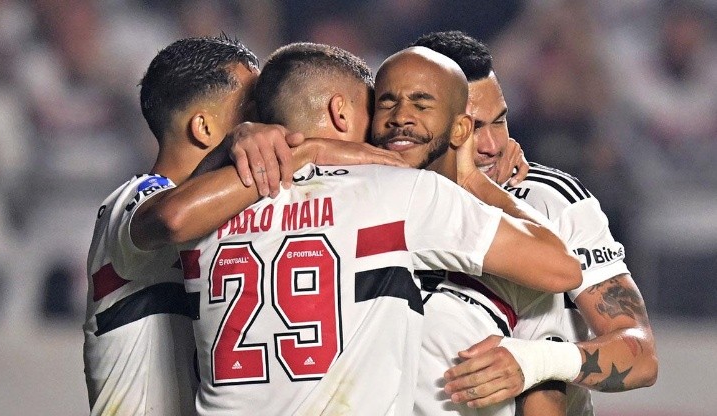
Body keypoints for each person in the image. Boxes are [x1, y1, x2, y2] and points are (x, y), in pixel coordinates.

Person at [177, 41, 582, 415]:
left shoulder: (209, 204)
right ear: (341, 111)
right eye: (379, 104)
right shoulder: (397, 193)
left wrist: (232, 145)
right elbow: (561, 267)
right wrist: (472, 178)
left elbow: (163, 218)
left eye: (418, 104)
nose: (394, 120)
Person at [84, 33, 410, 416]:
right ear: (203, 128)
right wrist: (307, 149)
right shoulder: (134, 200)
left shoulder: (250, 211)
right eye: (251, 108)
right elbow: (172, 220)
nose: (270, 119)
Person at [410, 31, 657, 414]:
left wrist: (535, 362)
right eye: (473, 127)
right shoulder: (385, 194)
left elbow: (641, 355)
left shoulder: (551, 200)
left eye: (500, 121)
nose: (492, 145)